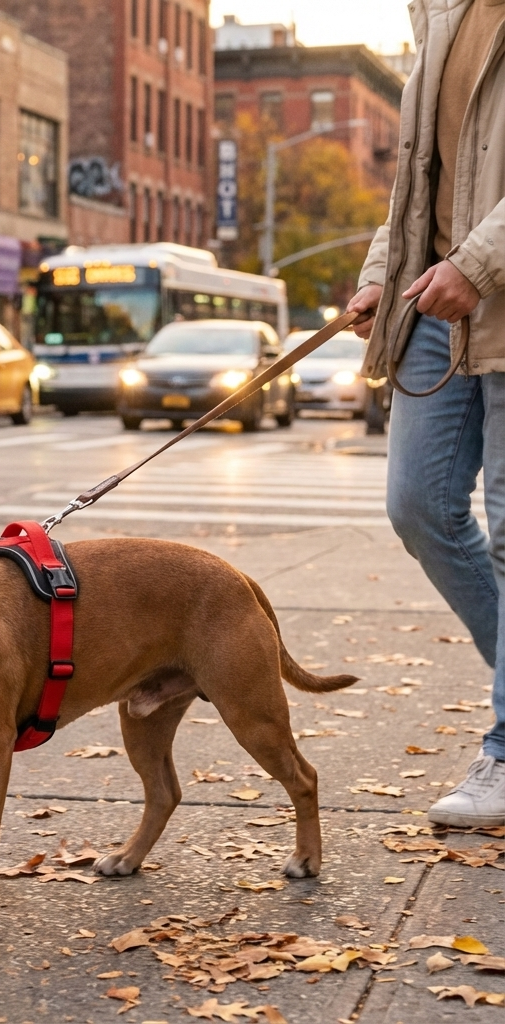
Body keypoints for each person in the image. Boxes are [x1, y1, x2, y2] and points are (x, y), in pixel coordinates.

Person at [347, 0, 504, 827]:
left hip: (491, 289)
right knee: (418, 504)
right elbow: (420, 175)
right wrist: (384, 270)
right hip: (436, 300)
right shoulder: (441, 10)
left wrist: (479, 264)